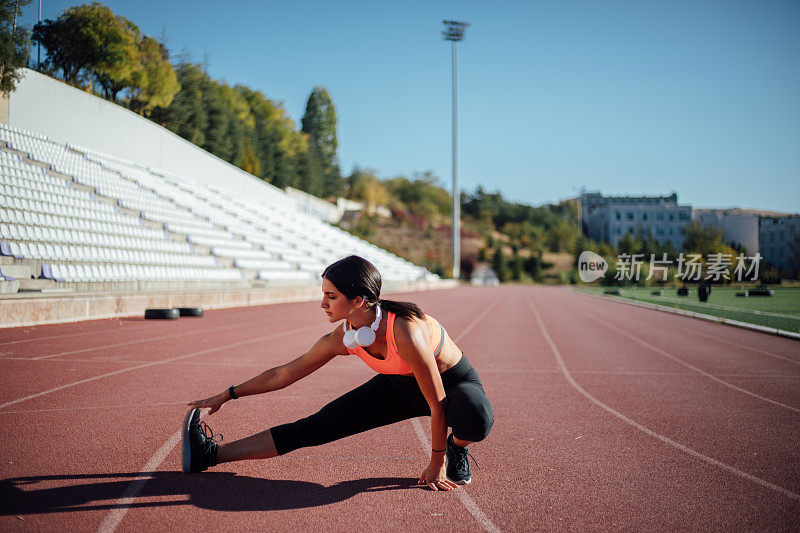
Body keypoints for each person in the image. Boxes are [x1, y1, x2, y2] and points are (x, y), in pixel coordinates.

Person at [184, 255, 494, 491]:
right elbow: (284, 374)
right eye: (324, 294)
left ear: (358, 300)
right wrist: (229, 393)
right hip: (397, 387)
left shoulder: (405, 332)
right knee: (314, 428)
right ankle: (210, 455)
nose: (322, 303)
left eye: (331, 296)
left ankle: (458, 447)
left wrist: (437, 459)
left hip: (451, 385)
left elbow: (437, 402)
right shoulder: (344, 336)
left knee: (476, 416)